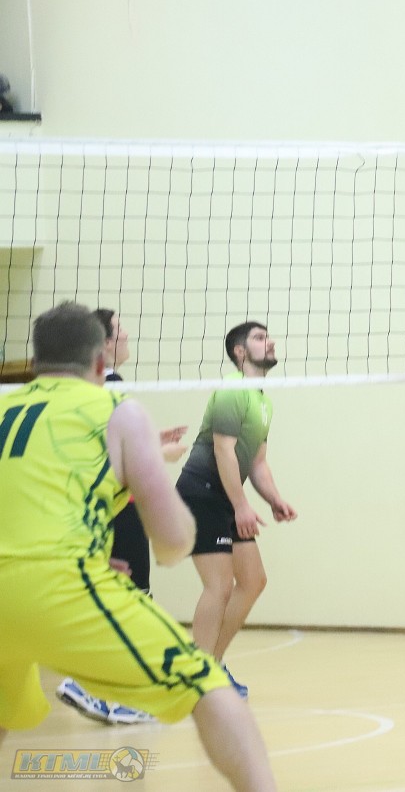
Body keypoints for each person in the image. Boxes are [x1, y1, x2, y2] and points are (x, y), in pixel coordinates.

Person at [0, 302, 277, 792]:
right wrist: (148, 470)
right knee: (208, 686)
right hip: (58, 586)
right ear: (100, 363)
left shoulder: (6, 406)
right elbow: (171, 543)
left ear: (37, 361)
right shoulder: (116, 409)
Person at [55, 308, 189, 725]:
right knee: (131, 599)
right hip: (119, 505)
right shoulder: (110, 386)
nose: (128, 334)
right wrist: (162, 454)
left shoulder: (84, 390)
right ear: (105, 344)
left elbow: (101, 444)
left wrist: (150, 439)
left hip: (100, 507)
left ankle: (94, 685)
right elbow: (122, 459)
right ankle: (96, 688)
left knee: (124, 598)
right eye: (120, 330)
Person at [176, 322, 296, 696]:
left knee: (253, 580)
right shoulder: (233, 389)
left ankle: (212, 664)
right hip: (201, 492)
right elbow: (223, 449)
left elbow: (257, 463)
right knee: (219, 586)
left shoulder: (263, 401)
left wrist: (274, 499)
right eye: (260, 338)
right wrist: (241, 506)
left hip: (225, 496)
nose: (270, 341)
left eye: (268, 336)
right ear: (240, 352)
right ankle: (197, 676)